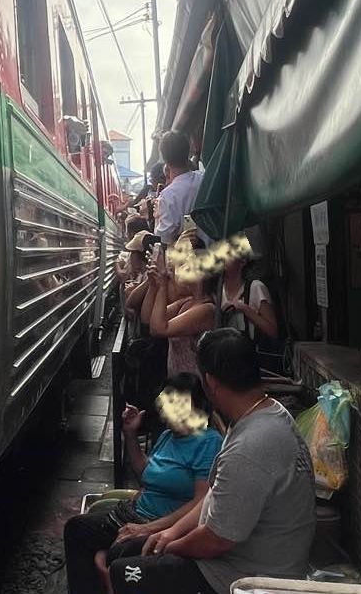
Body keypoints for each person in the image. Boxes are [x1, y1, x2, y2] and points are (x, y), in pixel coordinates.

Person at [104, 328, 316, 594]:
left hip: (245, 574)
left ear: (211, 382)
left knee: (123, 571)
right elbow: (212, 496)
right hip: (236, 555)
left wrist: (168, 547)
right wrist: (168, 533)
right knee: (123, 551)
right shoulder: (264, 413)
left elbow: (216, 540)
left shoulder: (249, 447)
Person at [64, 374, 223, 594]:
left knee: (115, 555)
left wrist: (148, 528)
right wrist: (130, 433)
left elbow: (201, 501)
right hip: (133, 514)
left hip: (160, 526)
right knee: (76, 528)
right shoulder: (167, 436)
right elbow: (145, 474)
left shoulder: (208, 442)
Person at [142, 243, 216, 376]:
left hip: (193, 383)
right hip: (178, 378)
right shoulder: (187, 302)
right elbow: (147, 319)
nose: (181, 268)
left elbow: (158, 329)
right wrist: (153, 286)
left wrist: (163, 286)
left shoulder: (206, 309)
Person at [154, 131, 206, 247]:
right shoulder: (204, 179)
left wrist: (157, 217)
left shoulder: (168, 196)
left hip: (188, 256)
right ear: (188, 151)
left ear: (164, 159)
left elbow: (164, 239)